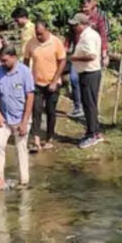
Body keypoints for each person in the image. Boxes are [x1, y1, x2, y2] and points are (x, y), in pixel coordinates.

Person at [0, 45, 34, 193]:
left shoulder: (25, 72)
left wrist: (24, 121)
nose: (2, 63)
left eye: (5, 60)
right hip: (4, 118)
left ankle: (24, 182)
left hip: (21, 117)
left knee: (21, 149)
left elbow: (30, 96)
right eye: (1, 61)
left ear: (14, 58)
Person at [24, 20, 66, 151]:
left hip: (52, 82)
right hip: (36, 82)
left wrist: (54, 80)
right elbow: (26, 60)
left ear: (47, 30)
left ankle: (49, 138)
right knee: (36, 110)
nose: (39, 37)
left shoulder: (56, 42)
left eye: (41, 34)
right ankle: (36, 140)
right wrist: (26, 77)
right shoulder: (31, 43)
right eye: (37, 34)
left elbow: (62, 61)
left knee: (50, 111)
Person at [68, 13, 104, 148]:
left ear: (82, 24)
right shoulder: (88, 35)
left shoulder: (88, 36)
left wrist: (74, 58)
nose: (73, 28)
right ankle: (94, 131)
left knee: (89, 105)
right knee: (90, 104)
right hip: (88, 72)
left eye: (75, 25)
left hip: (90, 73)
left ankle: (93, 134)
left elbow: (91, 55)